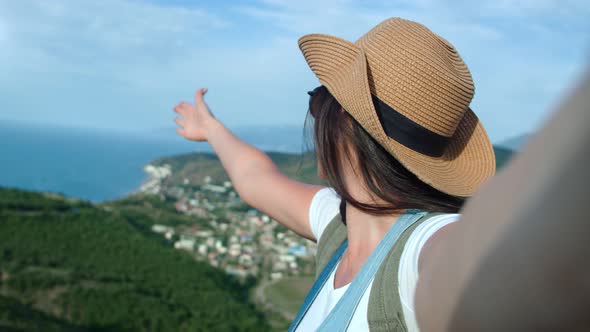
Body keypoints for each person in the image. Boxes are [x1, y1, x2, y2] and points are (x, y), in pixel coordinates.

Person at [174, 18, 496, 331]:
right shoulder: (340, 226)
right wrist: (210, 129)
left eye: (319, 101)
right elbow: (255, 178)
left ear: (343, 119)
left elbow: (480, 275)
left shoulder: (426, 246)